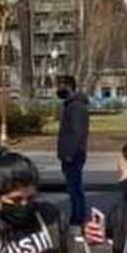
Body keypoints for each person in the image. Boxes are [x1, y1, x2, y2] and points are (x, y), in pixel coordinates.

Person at [55, 74, 90, 226]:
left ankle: (77, 219)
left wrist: (69, 153)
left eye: (60, 85)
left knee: (75, 188)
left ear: (68, 86)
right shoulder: (72, 105)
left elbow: (77, 132)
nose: (58, 89)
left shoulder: (75, 107)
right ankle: (77, 216)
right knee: (74, 188)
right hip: (72, 153)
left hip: (73, 154)